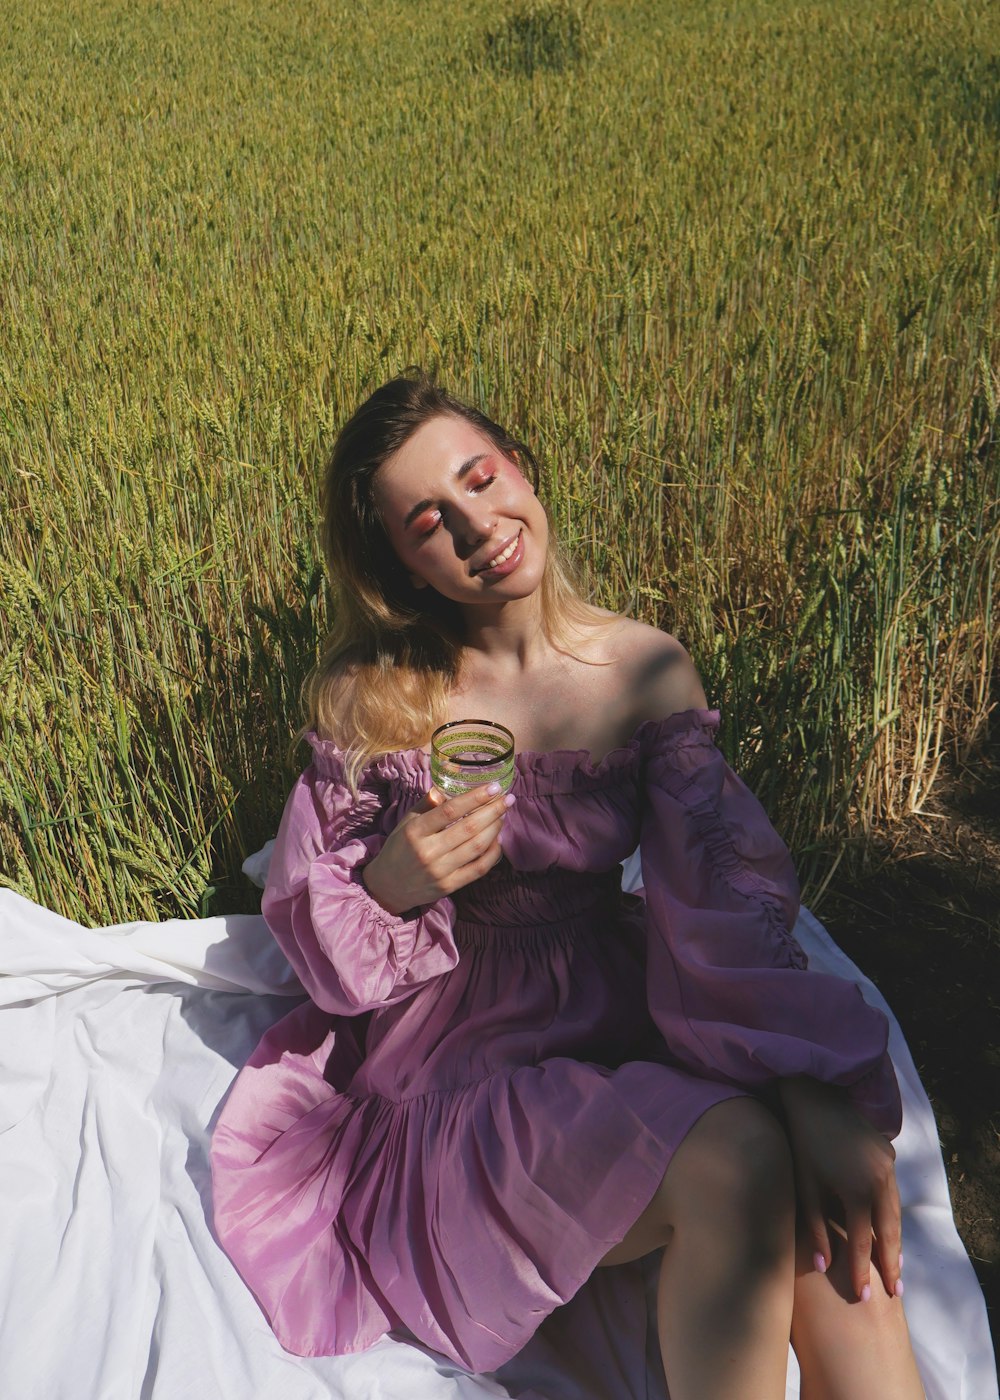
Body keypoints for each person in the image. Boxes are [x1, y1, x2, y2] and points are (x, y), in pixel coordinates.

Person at [210, 372, 925, 1398]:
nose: (477, 526)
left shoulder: (641, 669)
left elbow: (720, 909)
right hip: (454, 1068)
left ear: (521, 465)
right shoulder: (379, 699)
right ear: (398, 565)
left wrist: (810, 1085)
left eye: (480, 476)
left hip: (616, 1021)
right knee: (738, 1158)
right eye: (428, 522)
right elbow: (321, 950)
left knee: (827, 1209)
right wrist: (392, 880)